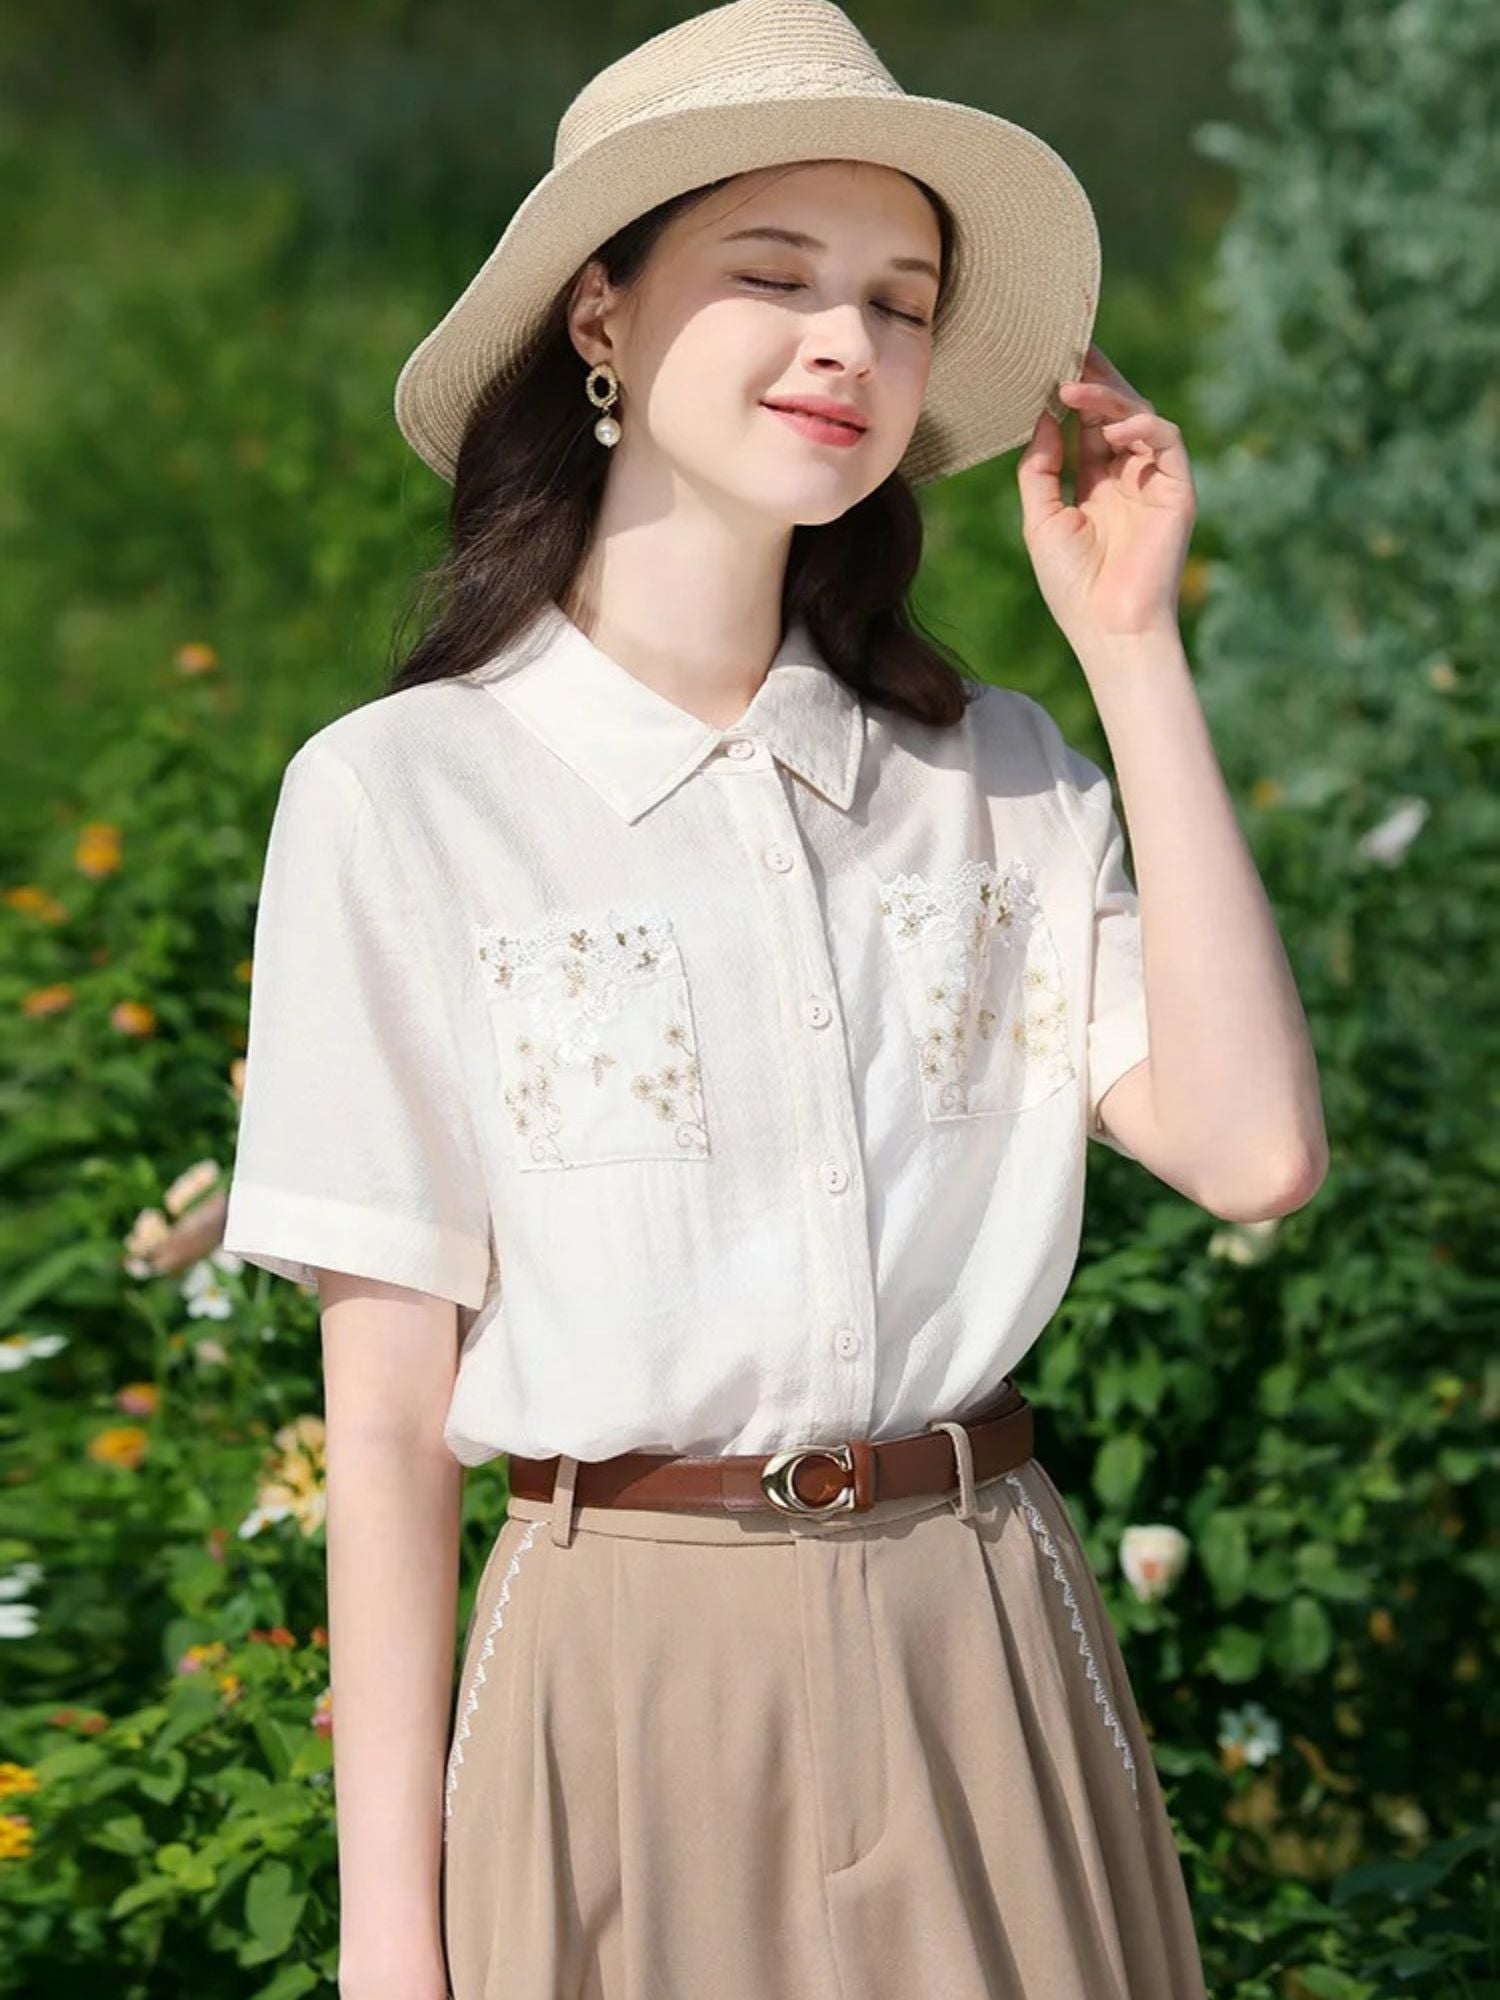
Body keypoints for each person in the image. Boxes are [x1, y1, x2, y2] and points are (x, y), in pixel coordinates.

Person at [221, 1, 1328, 1995]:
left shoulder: (987, 776)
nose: (851, 344)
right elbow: (382, 1428)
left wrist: (1134, 652)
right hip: (617, 1685)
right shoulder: (401, 801)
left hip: (981, 1638)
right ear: (601, 315)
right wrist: (395, 1943)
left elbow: (1251, 1150)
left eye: (902, 302)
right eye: (775, 275)